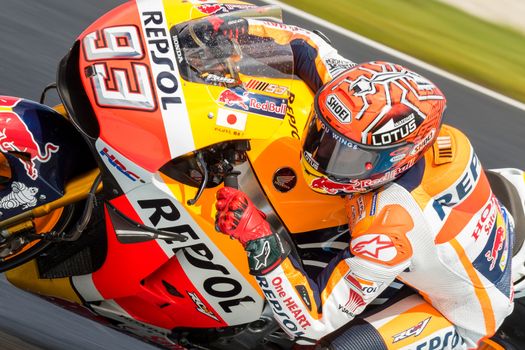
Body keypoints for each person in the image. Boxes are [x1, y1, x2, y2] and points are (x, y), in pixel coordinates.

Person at [214, 59, 517, 348]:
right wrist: (239, 34)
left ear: (396, 159)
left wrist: (259, 239)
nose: (321, 155)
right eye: (324, 136)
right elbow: (310, 50)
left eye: (349, 156)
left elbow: (312, 321)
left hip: (454, 314)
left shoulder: (391, 227)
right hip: (457, 238)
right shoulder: (366, 110)